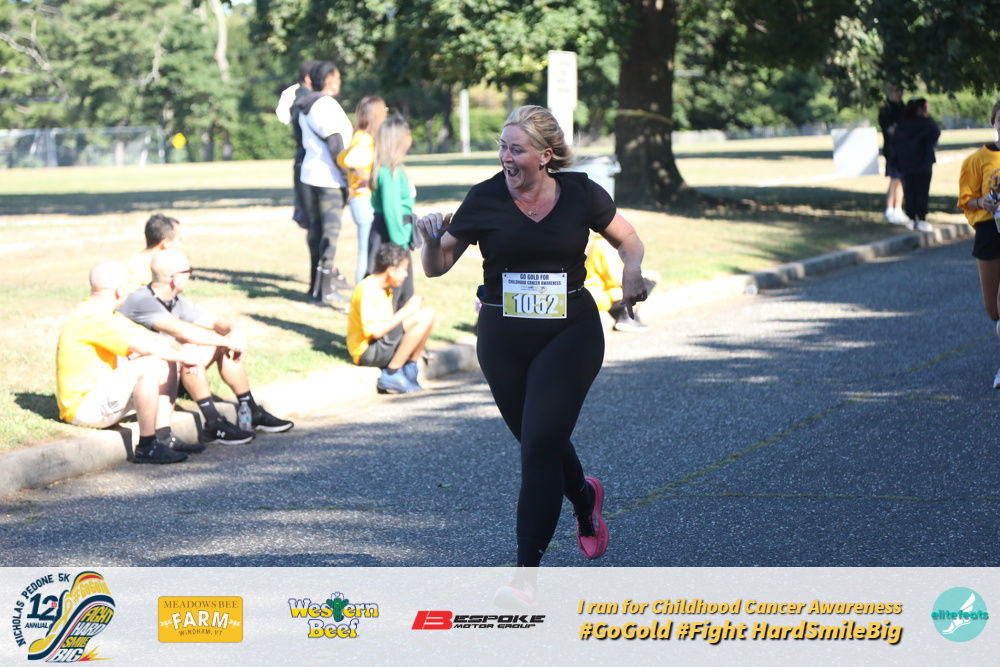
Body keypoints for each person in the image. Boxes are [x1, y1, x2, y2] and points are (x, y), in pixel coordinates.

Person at [415, 105, 648, 607]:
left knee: (538, 448)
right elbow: (437, 265)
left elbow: (628, 238)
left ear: (545, 155)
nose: (506, 157)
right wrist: (429, 242)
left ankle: (525, 580)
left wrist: (631, 269)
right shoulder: (485, 197)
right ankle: (584, 496)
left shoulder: (581, 193)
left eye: (516, 149)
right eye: (502, 147)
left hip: (570, 332)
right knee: (538, 439)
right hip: (503, 339)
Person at [118, 249, 294, 445]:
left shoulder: (175, 301)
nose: (191, 276)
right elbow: (184, 332)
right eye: (188, 271)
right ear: (175, 278)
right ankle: (213, 422)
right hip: (142, 381)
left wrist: (233, 332)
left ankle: (250, 408)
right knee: (193, 348)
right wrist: (227, 341)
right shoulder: (142, 300)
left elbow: (215, 322)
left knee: (216, 345)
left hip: (170, 374)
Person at [56, 260, 203, 464]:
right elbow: (147, 347)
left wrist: (182, 349)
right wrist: (185, 357)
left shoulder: (102, 312)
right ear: (119, 290)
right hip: (83, 410)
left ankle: (163, 436)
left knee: (165, 359)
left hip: (98, 402)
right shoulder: (94, 317)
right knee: (150, 363)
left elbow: (150, 337)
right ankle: (147, 446)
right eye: (128, 286)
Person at [294, 60, 354, 307]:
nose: (339, 82)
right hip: (329, 178)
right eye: (337, 77)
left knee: (316, 233)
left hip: (309, 175)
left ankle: (315, 286)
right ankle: (326, 289)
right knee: (330, 234)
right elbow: (335, 144)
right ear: (328, 79)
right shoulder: (326, 104)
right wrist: (348, 176)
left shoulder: (305, 104)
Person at [347, 243, 435, 394]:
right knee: (421, 317)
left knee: (428, 313)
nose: (406, 275)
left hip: (381, 345)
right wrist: (406, 310)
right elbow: (375, 332)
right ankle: (392, 374)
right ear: (392, 270)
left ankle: (410, 367)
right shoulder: (367, 288)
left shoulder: (385, 289)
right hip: (366, 352)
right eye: (404, 270)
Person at [958, 99, 1000, 388]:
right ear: (993, 122)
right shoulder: (977, 160)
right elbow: (966, 199)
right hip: (989, 232)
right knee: (993, 310)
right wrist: (981, 201)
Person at [367, 114, 418, 312]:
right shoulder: (389, 172)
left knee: (400, 294)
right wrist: (402, 246)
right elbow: (392, 211)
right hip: (391, 238)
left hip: (390, 234)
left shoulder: (391, 169)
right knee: (395, 296)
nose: (410, 138)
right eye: (407, 133)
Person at [337, 96, 388, 285]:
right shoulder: (365, 138)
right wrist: (371, 180)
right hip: (364, 199)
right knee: (367, 251)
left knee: (367, 249)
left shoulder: (358, 136)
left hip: (359, 199)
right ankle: (361, 293)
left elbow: (341, 159)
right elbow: (350, 161)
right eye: (385, 110)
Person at [584, 233, 659, 332]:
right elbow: (616, 279)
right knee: (646, 281)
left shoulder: (602, 244)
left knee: (641, 281)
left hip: (602, 293)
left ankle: (628, 317)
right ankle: (626, 317)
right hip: (600, 296)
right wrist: (644, 275)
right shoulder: (604, 245)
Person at [893, 97, 940, 232]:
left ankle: (911, 217)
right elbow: (936, 134)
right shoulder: (927, 124)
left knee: (910, 190)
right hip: (923, 162)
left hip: (907, 163)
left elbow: (896, 143)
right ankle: (922, 218)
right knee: (922, 191)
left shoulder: (902, 125)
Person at [286, 60, 319, 231]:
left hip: (303, 161)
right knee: (314, 223)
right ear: (308, 78)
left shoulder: (301, 98)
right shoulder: (306, 101)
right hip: (308, 161)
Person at [124, 213, 183, 292]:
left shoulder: (166, 265)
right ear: (166, 243)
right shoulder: (135, 270)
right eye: (179, 240)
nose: (180, 245)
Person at [878, 86, 906, 224]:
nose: (899, 94)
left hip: (903, 148)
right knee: (895, 178)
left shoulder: (903, 107)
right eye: (896, 91)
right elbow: (888, 130)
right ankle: (890, 209)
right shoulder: (887, 109)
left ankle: (897, 209)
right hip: (893, 148)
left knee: (901, 179)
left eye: (900, 91)